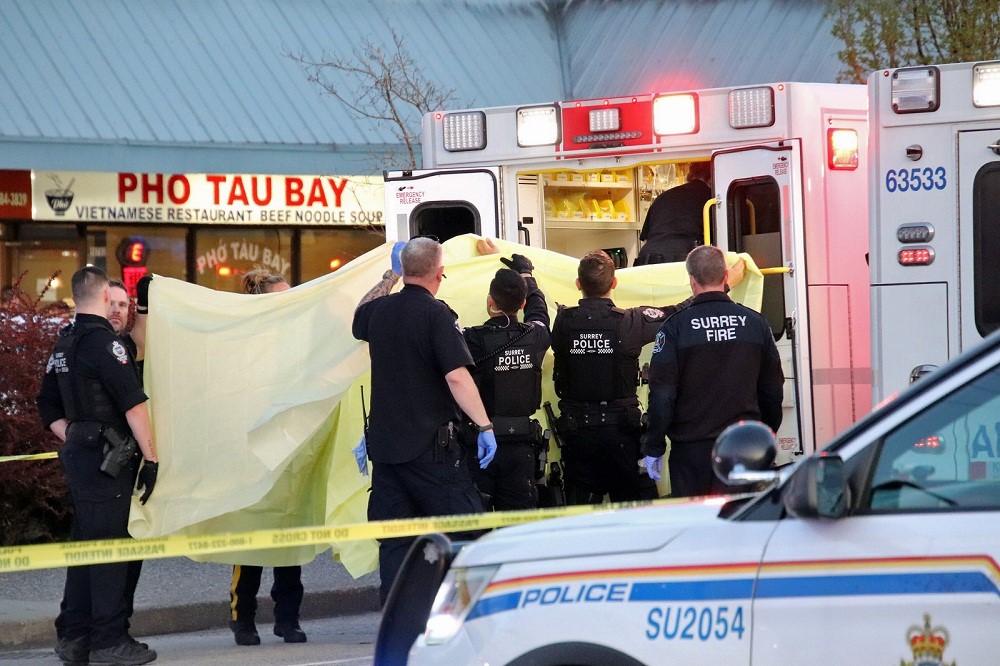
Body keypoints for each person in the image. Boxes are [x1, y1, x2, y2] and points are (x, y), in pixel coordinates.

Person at [352, 237, 496, 604]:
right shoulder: (436, 314)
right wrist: (484, 426)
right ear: (440, 272)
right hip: (431, 452)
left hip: (386, 451)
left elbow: (360, 314)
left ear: (402, 270)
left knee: (396, 542)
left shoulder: (379, 311)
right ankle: (468, 611)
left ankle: (397, 620)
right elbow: (457, 377)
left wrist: (390, 275)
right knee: (468, 530)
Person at [36, 266, 159, 666]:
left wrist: (76, 436)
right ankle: (109, 641)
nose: (120, 309)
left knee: (86, 547)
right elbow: (134, 404)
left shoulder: (65, 343)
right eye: (116, 300)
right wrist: (152, 456)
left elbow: (47, 405)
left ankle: (74, 637)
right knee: (109, 550)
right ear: (104, 298)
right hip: (109, 461)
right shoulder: (106, 345)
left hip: (83, 458)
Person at [640, 245, 784, 497]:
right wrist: (766, 430)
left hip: (691, 453)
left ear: (692, 280)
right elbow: (772, 388)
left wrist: (654, 446)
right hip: (744, 446)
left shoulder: (675, 327)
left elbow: (662, 395)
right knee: (741, 523)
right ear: (726, 276)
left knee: (696, 528)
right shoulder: (754, 323)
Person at [551, 250, 691, 505]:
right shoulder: (630, 321)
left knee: (578, 516)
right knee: (633, 511)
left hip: (577, 434)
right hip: (621, 435)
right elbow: (676, 313)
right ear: (614, 283)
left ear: (578, 284)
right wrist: (713, 288)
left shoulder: (563, 321)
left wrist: (525, 277)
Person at [228, 266, 307, 646]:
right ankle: (243, 619)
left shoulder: (296, 341)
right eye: (283, 296)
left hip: (289, 449)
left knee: (289, 538)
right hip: (252, 452)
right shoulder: (244, 342)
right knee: (251, 540)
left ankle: (287, 619)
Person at [462, 240, 551, 510]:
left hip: (480, 443)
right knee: (517, 524)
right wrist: (526, 275)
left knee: (476, 521)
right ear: (521, 303)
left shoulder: (471, 339)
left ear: (490, 301)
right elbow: (539, 309)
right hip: (521, 446)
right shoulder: (535, 334)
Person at [635, 161, 713, 266]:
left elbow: (646, 236)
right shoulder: (711, 198)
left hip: (646, 260)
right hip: (681, 260)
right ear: (712, 177)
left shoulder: (663, 197)